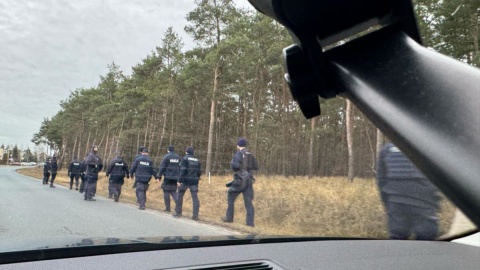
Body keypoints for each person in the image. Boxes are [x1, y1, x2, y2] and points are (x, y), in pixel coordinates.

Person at [376, 142, 440, 240]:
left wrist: (388, 204)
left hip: (396, 202)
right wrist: (434, 201)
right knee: (427, 240)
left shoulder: (387, 150)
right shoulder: (428, 146)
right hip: (423, 202)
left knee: (398, 239)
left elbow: (381, 180)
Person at [222, 138, 258, 227]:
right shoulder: (250, 155)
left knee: (230, 196)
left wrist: (236, 166)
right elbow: (256, 166)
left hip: (240, 181)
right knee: (248, 202)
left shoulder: (238, 154)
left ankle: (229, 218)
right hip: (249, 181)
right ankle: (250, 223)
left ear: (238, 145)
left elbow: (235, 166)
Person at [174, 146, 201, 220]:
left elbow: (182, 170)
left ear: (186, 152)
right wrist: (197, 179)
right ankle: (195, 215)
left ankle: (178, 212)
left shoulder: (184, 159)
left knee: (180, 195)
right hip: (194, 181)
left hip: (185, 181)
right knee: (195, 197)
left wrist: (179, 180)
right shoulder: (197, 160)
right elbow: (199, 172)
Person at [157, 145, 181, 212]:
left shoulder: (166, 157)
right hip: (176, 177)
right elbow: (180, 167)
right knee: (173, 191)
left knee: (166, 191)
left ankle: (168, 208)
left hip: (168, 177)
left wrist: (159, 176)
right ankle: (179, 206)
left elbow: (162, 167)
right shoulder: (178, 157)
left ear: (168, 150)